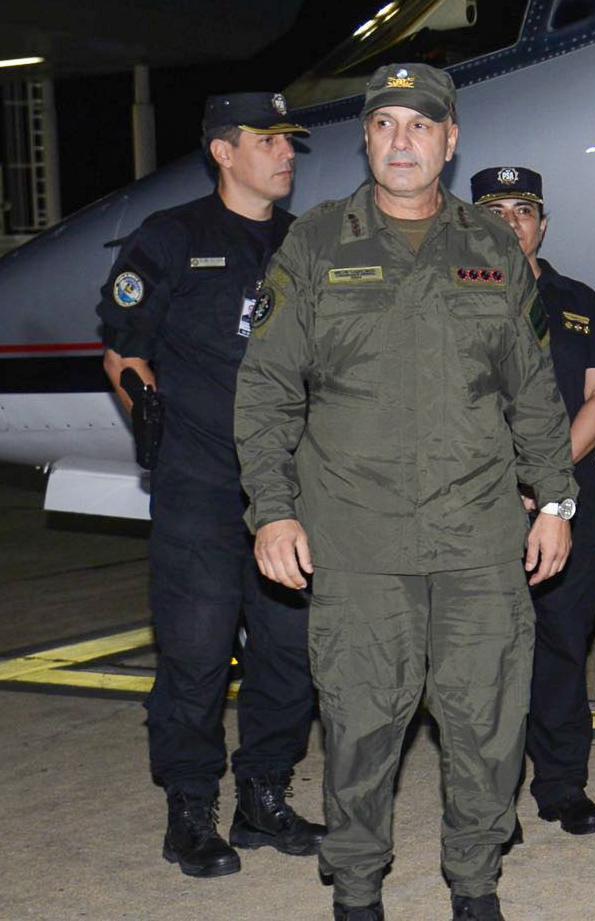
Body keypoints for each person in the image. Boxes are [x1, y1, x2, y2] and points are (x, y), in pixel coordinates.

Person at [235, 63, 577, 921]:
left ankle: (475, 886)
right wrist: (272, 511)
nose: (401, 142)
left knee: (489, 726)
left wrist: (558, 500)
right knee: (358, 728)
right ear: (366, 137)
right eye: (386, 124)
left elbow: (532, 388)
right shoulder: (316, 243)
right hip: (357, 540)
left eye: (420, 126)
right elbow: (267, 389)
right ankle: (357, 892)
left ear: (450, 141)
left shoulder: (494, 247)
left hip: (479, 535)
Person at [96, 91, 324, 880]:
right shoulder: (171, 238)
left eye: (289, 141)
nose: (287, 153)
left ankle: (263, 797)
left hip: (288, 492)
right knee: (195, 657)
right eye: (268, 140)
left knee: (290, 654)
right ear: (224, 151)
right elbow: (123, 354)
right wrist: (151, 423)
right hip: (199, 483)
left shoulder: (307, 245)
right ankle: (189, 809)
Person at [470, 165, 595, 836]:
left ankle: (562, 784)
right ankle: (490, 795)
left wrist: (547, 475)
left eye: (522, 210)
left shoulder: (580, 300)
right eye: (494, 212)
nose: (511, 222)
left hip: (567, 496)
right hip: (480, 497)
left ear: (543, 223)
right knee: (485, 651)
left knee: (561, 639)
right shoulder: (449, 299)